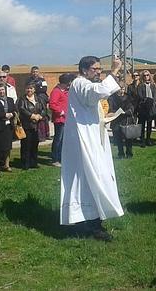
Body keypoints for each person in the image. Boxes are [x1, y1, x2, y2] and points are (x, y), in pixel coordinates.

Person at [60, 55, 124, 242]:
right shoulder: (80, 83)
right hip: (82, 141)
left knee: (93, 178)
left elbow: (91, 104)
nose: (98, 72)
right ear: (84, 69)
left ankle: (92, 221)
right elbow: (97, 92)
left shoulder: (83, 84)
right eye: (95, 69)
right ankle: (87, 223)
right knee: (87, 178)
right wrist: (114, 71)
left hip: (91, 137)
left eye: (100, 69)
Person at [17, 82, 47, 170]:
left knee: (35, 144)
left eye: (31, 88)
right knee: (26, 145)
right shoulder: (22, 99)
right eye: (27, 88)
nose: (29, 90)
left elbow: (44, 109)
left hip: (37, 125)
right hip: (27, 125)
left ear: (34, 89)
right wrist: (32, 116)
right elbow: (21, 109)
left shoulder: (39, 99)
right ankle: (25, 163)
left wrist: (40, 116)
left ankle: (34, 162)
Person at [49, 73, 73, 167]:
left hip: (66, 119)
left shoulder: (66, 91)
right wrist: (62, 112)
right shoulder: (56, 91)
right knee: (58, 139)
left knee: (63, 140)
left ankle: (61, 157)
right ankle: (55, 159)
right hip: (60, 119)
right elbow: (52, 104)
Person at [108, 81, 136, 158]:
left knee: (128, 139)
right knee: (118, 139)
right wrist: (115, 113)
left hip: (126, 120)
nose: (121, 90)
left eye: (123, 89)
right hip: (116, 121)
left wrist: (125, 112)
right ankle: (121, 153)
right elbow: (110, 109)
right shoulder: (112, 98)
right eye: (119, 89)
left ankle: (129, 153)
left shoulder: (128, 97)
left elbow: (131, 108)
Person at [137, 70, 156, 147]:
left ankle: (148, 139)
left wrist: (152, 102)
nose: (146, 77)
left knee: (149, 124)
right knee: (142, 125)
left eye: (147, 75)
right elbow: (140, 96)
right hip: (143, 108)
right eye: (144, 75)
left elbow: (154, 95)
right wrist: (146, 101)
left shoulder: (152, 85)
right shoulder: (140, 85)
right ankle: (142, 140)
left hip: (151, 108)